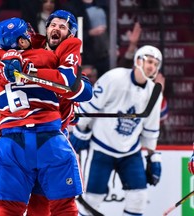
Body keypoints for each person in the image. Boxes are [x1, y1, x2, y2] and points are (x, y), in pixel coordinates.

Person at [0, 11, 92, 215]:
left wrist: (21, 67)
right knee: (58, 207)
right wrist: (14, 60)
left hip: (13, 138)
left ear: (70, 34)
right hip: (49, 137)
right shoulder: (44, 54)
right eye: (53, 24)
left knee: (11, 208)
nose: (56, 29)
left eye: (62, 26)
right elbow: (70, 84)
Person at [70, 45, 163, 216]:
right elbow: (91, 105)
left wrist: (152, 155)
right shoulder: (114, 77)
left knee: (139, 198)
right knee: (91, 200)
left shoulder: (154, 92)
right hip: (101, 149)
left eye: (156, 64)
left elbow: (151, 128)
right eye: (149, 61)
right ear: (138, 60)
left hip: (130, 152)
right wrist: (81, 129)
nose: (152, 67)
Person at [63, 0, 110, 77]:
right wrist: (89, 33)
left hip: (104, 55)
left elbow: (112, 26)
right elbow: (68, 33)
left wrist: (116, 46)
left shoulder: (103, 4)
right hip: (85, 56)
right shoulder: (70, 7)